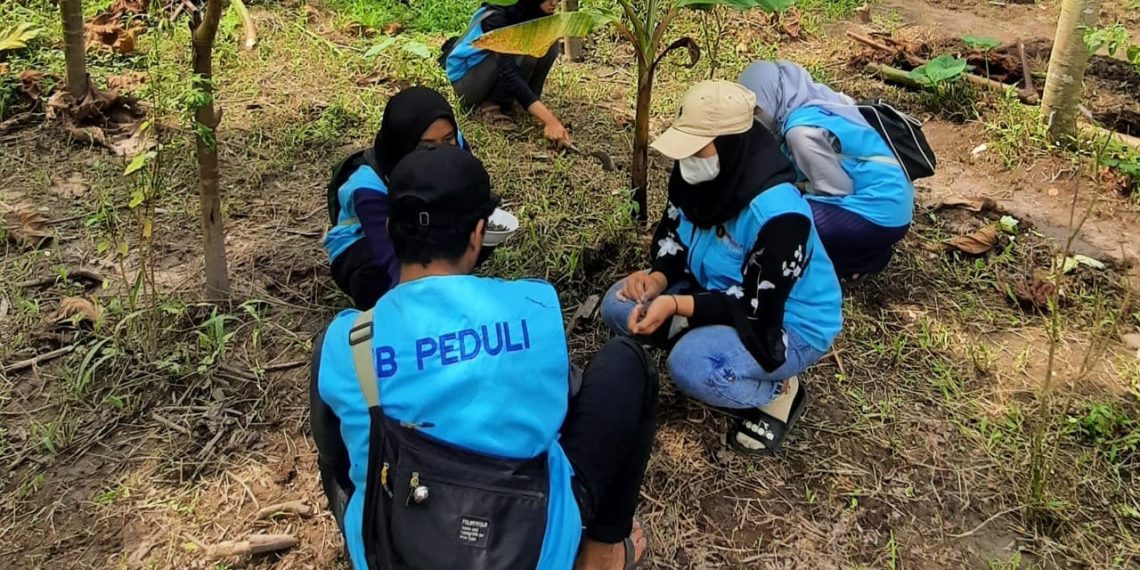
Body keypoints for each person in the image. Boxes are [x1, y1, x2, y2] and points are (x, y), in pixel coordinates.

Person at [311, 145, 656, 569]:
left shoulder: (348, 339)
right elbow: (558, 412)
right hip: (528, 549)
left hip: (390, 547)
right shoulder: (533, 305)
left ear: (387, 227)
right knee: (628, 363)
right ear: (478, 234)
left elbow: (338, 463)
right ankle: (601, 555)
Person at [599, 80, 842, 456]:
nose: (689, 159)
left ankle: (779, 391)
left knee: (692, 366)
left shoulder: (780, 217)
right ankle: (696, 330)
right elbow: (675, 236)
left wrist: (678, 306)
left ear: (732, 145)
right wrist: (656, 279)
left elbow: (757, 305)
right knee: (618, 305)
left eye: (699, 148)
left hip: (782, 321)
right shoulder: (697, 177)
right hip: (710, 287)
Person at [738, 60, 915, 280]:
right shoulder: (822, 104)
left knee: (779, 220)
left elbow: (836, 189)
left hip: (878, 213)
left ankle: (856, 261)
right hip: (895, 207)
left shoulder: (800, 133)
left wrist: (797, 188)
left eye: (757, 109)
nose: (754, 118)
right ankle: (870, 250)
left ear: (774, 94)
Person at [323, 86, 471, 309]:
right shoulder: (368, 187)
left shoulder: (454, 143)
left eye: (448, 139)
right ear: (403, 144)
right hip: (370, 245)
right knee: (374, 275)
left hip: (423, 226)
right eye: (427, 145)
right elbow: (390, 258)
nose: (442, 152)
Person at [443, 0, 572, 148]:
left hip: (494, 70)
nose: (554, 2)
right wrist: (551, 121)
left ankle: (528, 105)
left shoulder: (535, 11)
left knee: (548, 44)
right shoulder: (497, 16)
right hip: (468, 80)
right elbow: (508, 72)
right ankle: (489, 106)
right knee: (521, 51)